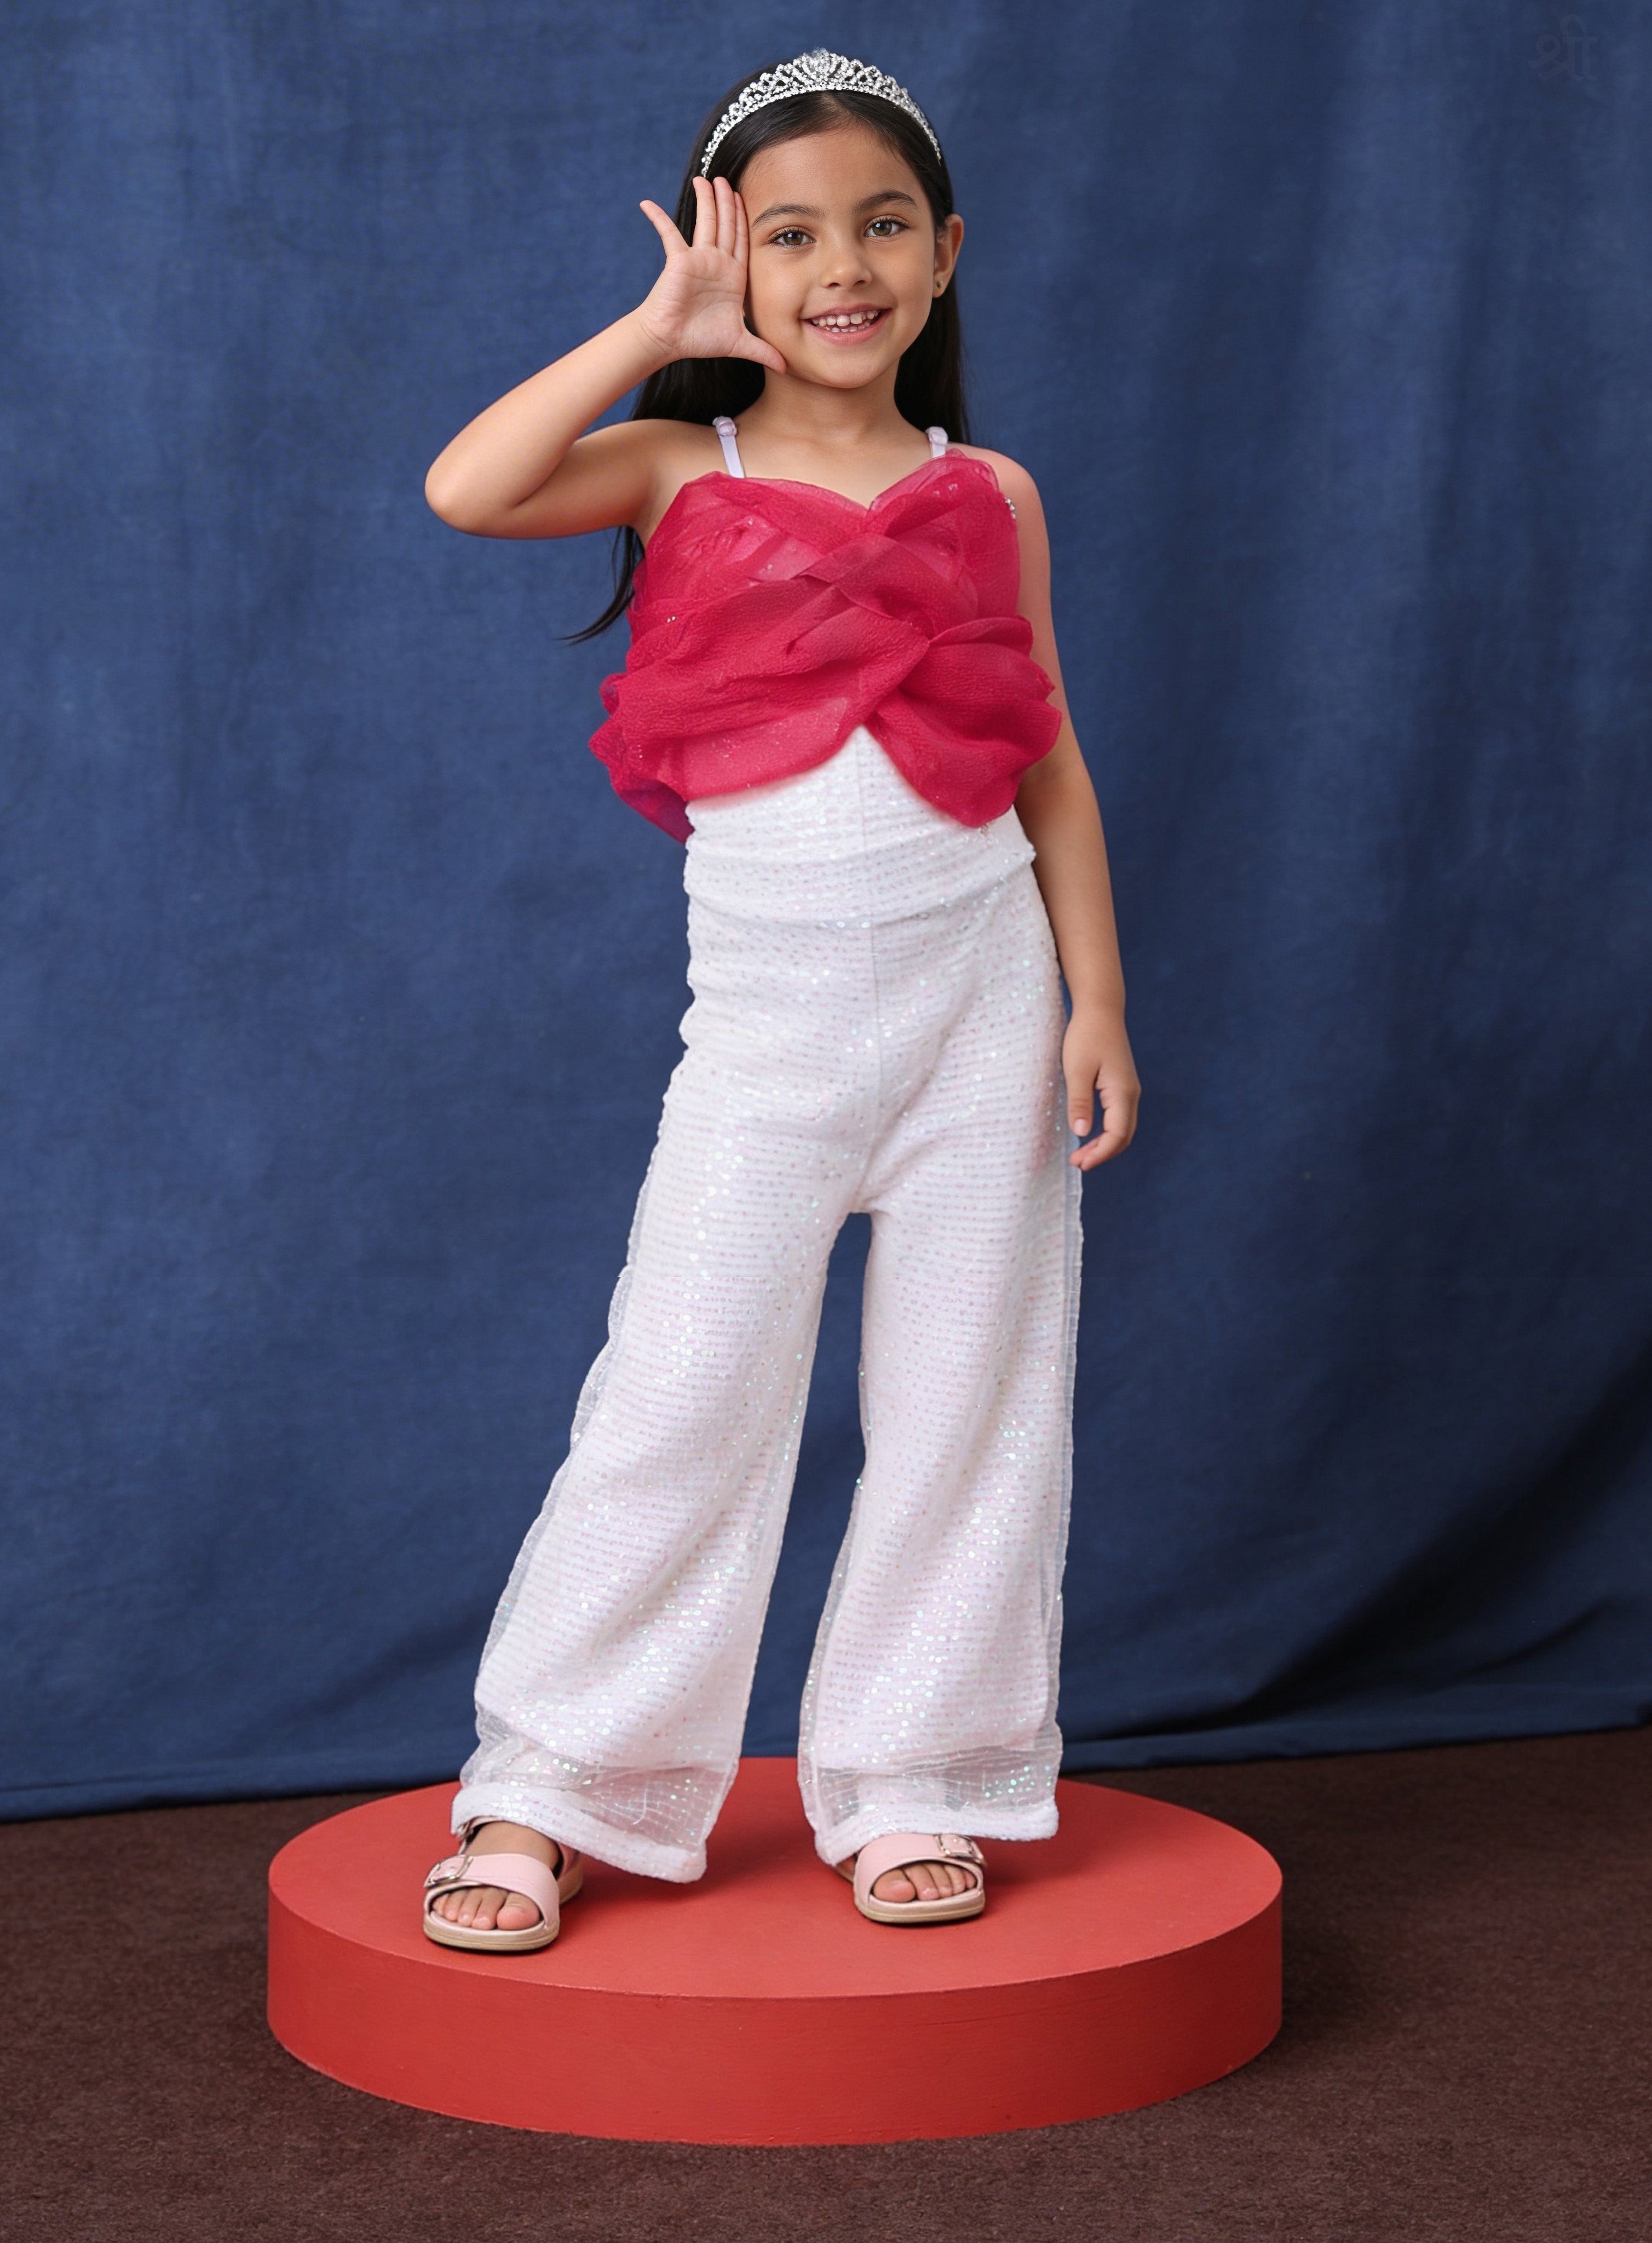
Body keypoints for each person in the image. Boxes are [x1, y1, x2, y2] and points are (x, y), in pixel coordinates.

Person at [418, 49, 1139, 1952]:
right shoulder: (680, 468)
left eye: (886, 226)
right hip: (768, 1028)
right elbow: (467, 488)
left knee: (971, 1395)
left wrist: (1095, 1001)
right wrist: (658, 324)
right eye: (797, 232)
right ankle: (556, 1788)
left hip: (985, 1002)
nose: (847, 267)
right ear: (739, 259)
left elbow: (1043, 746)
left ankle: (919, 1776)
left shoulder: (990, 488)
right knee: (680, 1391)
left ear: (946, 253)